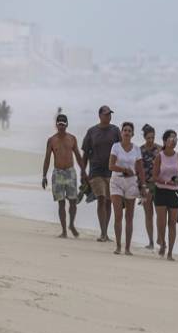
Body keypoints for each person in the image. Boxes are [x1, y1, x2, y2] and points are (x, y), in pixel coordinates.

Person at [42, 114, 87, 238]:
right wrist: (44, 176)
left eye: (63, 124)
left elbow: (78, 156)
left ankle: (71, 224)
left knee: (73, 201)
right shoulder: (51, 140)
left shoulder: (72, 138)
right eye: (59, 124)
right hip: (58, 173)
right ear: (56, 125)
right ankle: (64, 231)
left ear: (67, 125)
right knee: (61, 203)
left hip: (70, 172)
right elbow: (47, 159)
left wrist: (83, 171)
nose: (61, 126)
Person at [81, 105, 121, 242]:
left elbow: (121, 150)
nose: (108, 116)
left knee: (109, 201)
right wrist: (82, 171)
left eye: (110, 114)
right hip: (96, 170)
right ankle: (103, 233)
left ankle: (105, 231)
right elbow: (85, 153)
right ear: (100, 116)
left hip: (111, 171)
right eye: (106, 114)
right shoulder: (92, 131)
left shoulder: (115, 131)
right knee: (102, 199)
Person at [109, 122, 147, 255]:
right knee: (118, 215)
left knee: (129, 216)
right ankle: (118, 246)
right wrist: (124, 169)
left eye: (129, 130)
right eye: (124, 130)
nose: (126, 132)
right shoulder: (116, 147)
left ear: (132, 134)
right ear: (121, 132)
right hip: (117, 181)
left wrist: (143, 186)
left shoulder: (136, 149)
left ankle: (127, 248)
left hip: (131, 182)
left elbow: (140, 169)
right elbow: (111, 166)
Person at [151, 129, 178, 261]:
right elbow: (154, 177)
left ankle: (170, 253)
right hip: (161, 191)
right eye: (171, 139)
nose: (174, 141)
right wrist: (166, 181)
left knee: (172, 223)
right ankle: (162, 242)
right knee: (161, 222)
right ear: (165, 141)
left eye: (175, 139)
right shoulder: (159, 156)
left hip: (174, 193)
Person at [139, 124, 159, 249]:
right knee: (148, 213)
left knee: (160, 213)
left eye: (152, 137)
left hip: (158, 185)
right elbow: (137, 169)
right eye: (148, 138)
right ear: (145, 137)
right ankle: (151, 241)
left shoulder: (160, 150)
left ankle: (160, 239)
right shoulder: (140, 150)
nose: (151, 140)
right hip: (145, 186)